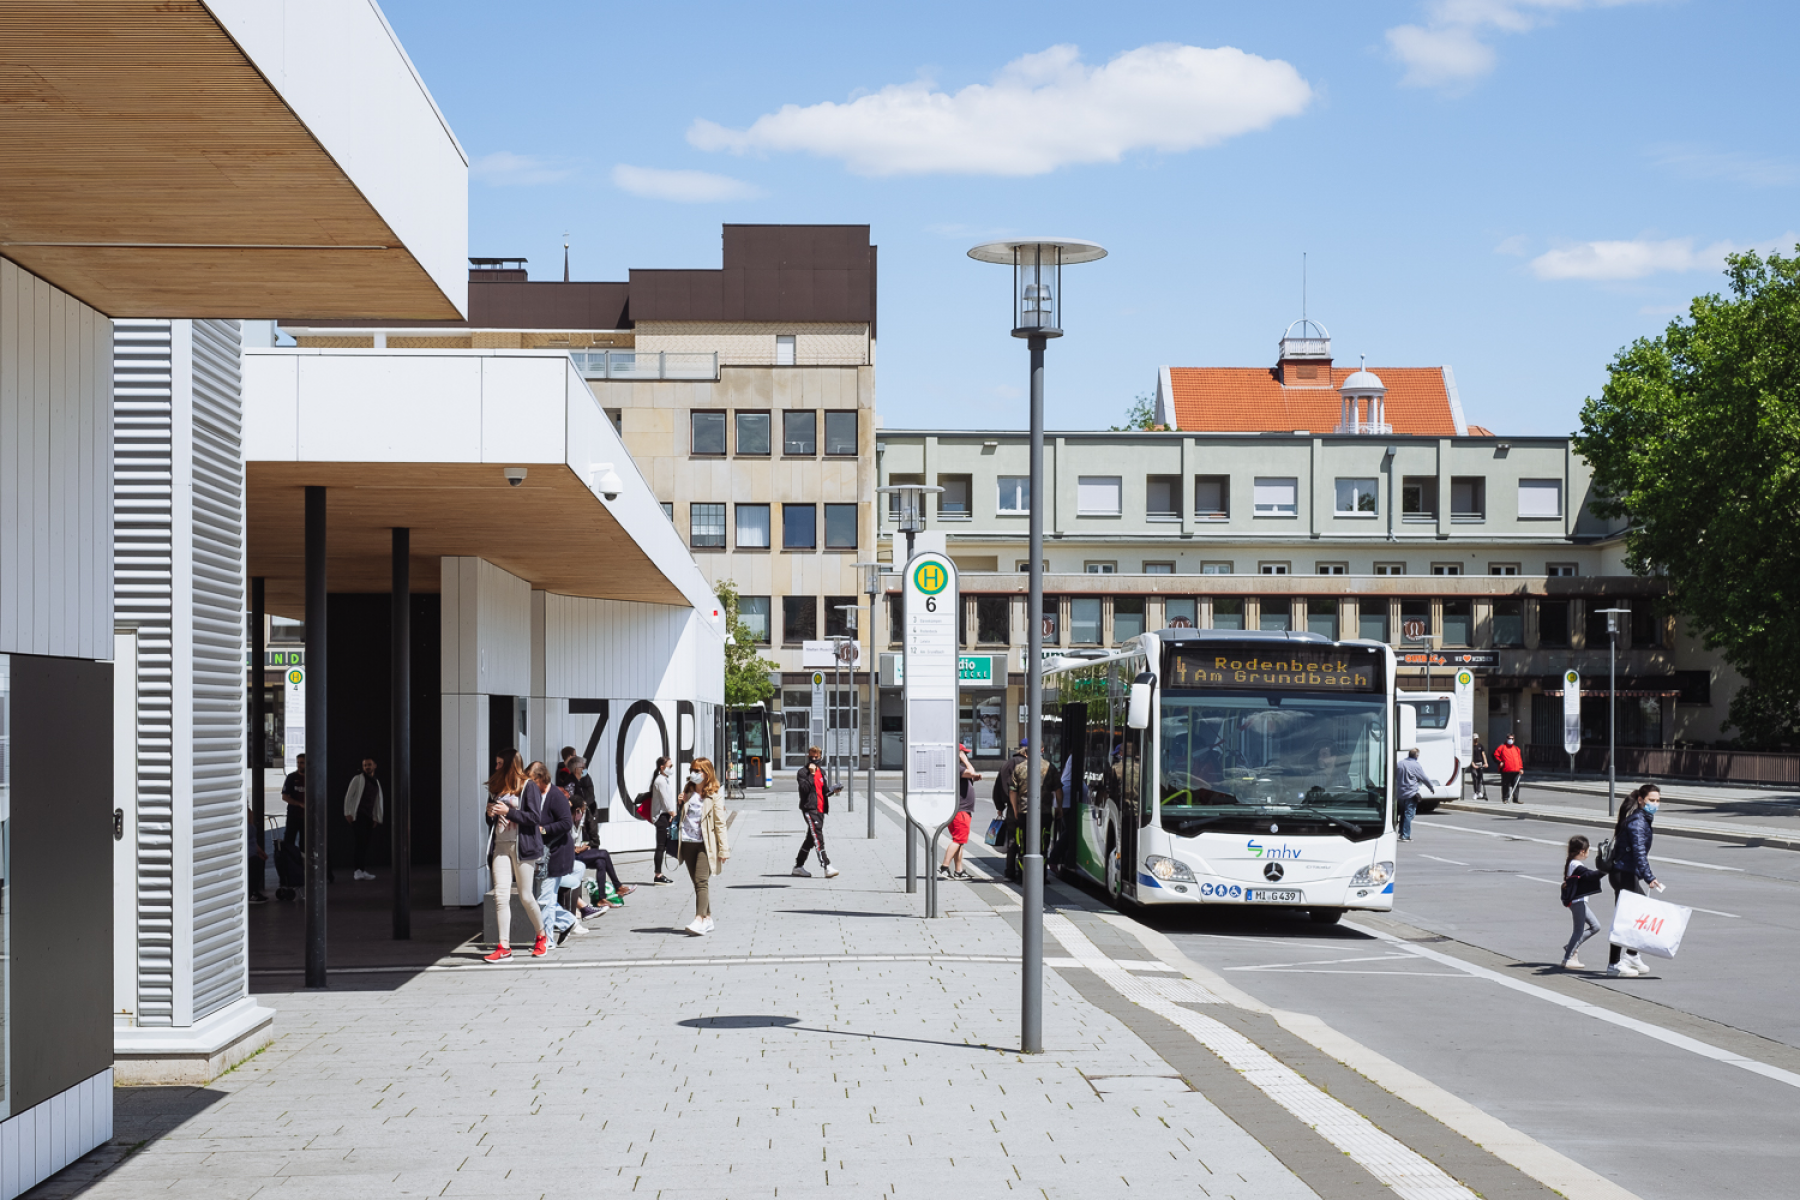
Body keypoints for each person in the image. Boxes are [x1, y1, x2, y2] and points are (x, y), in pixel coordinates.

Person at [482, 751, 547, 963]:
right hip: (500, 846)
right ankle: (504, 946)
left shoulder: (528, 786)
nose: (497, 767)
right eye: (496, 763)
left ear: (511, 765)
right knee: (501, 895)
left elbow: (534, 817)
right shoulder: (498, 787)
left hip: (523, 847)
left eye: (500, 763)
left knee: (526, 896)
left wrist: (508, 812)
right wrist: (490, 812)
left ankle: (541, 935)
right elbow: (490, 819)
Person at [1605, 785, 1666, 978]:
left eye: (1657, 800)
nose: (1655, 804)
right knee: (1624, 919)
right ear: (1641, 800)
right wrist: (1650, 877)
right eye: (1651, 800)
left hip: (1626, 873)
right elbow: (1640, 853)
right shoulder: (1638, 822)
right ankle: (1614, 964)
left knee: (1639, 914)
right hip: (1623, 874)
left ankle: (1632, 955)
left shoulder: (1642, 819)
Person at [675, 757, 730, 935]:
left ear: (707, 774)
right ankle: (708, 918)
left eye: (697, 771)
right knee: (698, 883)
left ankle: (699, 919)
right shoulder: (688, 791)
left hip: (704, 845)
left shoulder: (714, 796)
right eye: (692, 770)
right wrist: (681, 802)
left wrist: (723, 849)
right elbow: (683, 817)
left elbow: (720, 824)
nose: (693, 774)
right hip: (687, 843)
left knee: (701, 882)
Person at [526, 760, 577, 947]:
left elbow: (566, 823)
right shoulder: (535, 795)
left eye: (531, 781)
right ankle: (566, 921)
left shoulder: (555, 796)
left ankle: (547, 940)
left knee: (545, 900)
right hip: (542, 854)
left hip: (556, 854)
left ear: (541, 778)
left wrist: (543, 830)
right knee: (543, 898)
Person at [571, 791, 634, 911]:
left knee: (601, 862)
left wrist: (585, 845)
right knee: (604, 853)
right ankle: (618, 886)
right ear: (577, 810)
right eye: (582, 810)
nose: (583, 813)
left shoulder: (578, 821)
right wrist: (581, 848)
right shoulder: (568, 821)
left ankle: (601, 898)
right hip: (571, 855)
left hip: (578, 851)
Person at [1008, 742, 1061, 882]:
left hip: (1024, 813)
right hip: (1044, 813)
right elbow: (1058, 790)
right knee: (1043, 845)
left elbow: (1013, 791)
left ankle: (1022, 875)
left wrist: (1015, 810)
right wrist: (1059, 808)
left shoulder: (1019, 768)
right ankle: (1041, 876)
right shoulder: (1049, 767)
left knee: (1023, 844)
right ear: (1042, 749)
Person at [792, 745, 840, 879]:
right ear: (808, 757)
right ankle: (826, 865)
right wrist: (811, 775)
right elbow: (804, 789)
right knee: (818, 836)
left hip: (821, 809)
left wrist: (833, 790)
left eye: (816, 756)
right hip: (809, 808)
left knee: (811, 839)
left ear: (820, 757)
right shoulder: (803, 772)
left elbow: (824, 791)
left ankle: (798, 866)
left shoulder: (822, 772)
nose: (814, 758)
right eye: (811, 756)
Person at [1561, 835, 1606, 969]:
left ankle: (1571, 947)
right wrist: (1606, 869)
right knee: (1578, 931)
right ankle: (1567, 958)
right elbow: (1590, 875)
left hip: (1579, 902)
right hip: (1577, 902)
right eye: (1587, 851)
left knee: (1595, 926)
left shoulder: (1573, 863)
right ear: (1582, 851)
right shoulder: (1575, 864)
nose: (1588, 853)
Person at [939, 743, 980, 881]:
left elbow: (971, 775)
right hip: (960, 810)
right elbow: (971, 772)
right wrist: (965, 760)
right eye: (964, 753)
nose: (966, 755)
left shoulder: (953, 767)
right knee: (958, 840)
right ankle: (944, 867)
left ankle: (959, 870)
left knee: (959, 840)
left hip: (958, 809)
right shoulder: (956, 767)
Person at [343, 757, 384, 881]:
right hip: (359, 815)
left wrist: (376, 817)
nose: (367, 767)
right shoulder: (358, 779)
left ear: (374, 766)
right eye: (365, 765)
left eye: (369, 765)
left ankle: (362, 869)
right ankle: (357, 870)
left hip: (369, 817)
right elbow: (349, 796)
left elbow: (377, 801)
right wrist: (348, 813)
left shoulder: (376, 781)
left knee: (365, 844)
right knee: (360, 843)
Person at [650, 756, 678, 884]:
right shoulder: (660, 781)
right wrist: (673, 813)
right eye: (670, 766)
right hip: (661, 816)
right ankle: (658, 875)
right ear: (662, 767)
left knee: (664, 844)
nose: (671, 768)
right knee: (660, 846)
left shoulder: (664, 779)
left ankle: (659, 874)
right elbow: (665, 801)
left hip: (664, 815)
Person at [1395, 747, 1432, 841]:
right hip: (1410, 793)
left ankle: (1401, 832)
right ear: (1416, 755)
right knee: (1409, 814)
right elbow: (1424, 778)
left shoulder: (1400, 763)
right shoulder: (1416, 765)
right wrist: (1431, 788)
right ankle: (1405, 835)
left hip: (1400, 793)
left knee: (1403, 813)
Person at [281, 753, 306, 850]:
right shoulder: (291, 777)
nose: (299, 765)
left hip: (307, 816)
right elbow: (285, 796)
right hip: (294, 814)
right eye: (298, 763)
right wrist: (299, 804)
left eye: (302, 763)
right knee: (289, 840)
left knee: (305, 842)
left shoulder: (311, 778)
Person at [1494, 735, 1524, 804]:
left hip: (1516, 770)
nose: (1510, 740)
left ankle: (1515, 798)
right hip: (1506, 770)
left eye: (1512, 738)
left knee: (1516, 785)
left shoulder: (1516, 748)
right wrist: (1499, 762)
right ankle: (1505, 798)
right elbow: (1495, 755)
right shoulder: (1502, 747)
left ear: (1514, 740)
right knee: (1505, 785)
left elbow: (1519, 759)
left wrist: (1521, 768)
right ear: (1506, 739)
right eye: (1509, 738)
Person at [1470, 735, 1491, 800]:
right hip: (1474, 763)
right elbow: (1470, 756)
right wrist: (1473, 764)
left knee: (1480, 778)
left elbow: (1483, 755)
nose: (1476, 739)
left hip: (1480, 763)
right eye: (1475, 738)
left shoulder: (1480, 746)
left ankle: (1478, 792)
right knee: (1475, 777)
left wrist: (1486, 763)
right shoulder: (1471, 747)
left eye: (1477, 738)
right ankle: (1475, 792)